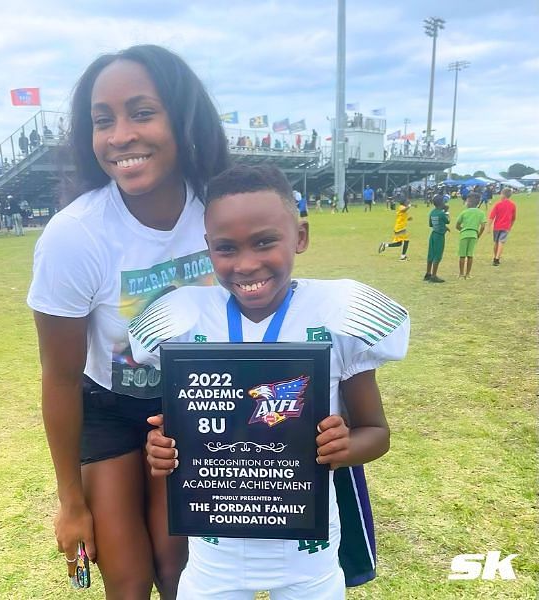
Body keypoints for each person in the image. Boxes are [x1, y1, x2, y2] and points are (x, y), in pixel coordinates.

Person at [134, 164, 408, 599]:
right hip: (214, 552)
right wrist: (162, 449)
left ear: (299, 236)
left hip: (308, 549)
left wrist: (345, 446)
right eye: (226, 248)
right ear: (208, 249)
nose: (246, 264)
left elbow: (377, 433)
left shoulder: (336, 313)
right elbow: (184, 431)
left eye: (265, 241)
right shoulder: (184, 318)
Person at [27, 44, 230, 598]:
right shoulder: (76, 236)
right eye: (103, 120)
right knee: (129, 579)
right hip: (109, 410)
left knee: (179, 571)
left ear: (182, 118)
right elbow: (60, 378)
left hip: (196, 404)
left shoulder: (220, 207)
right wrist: (71, 503)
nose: (120, 135)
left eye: (142, 112)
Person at [456, 195, 487, 279]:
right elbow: (483, 226)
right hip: (473, 235)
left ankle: (461, 274)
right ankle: (468, 274)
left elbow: (457, 225)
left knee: (462, 255)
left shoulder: (464, 212)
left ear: (468, 202)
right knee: (470, 255)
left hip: (464, 235)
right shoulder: (481, 213)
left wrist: (462, 229)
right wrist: (478, 235)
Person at [424, 194, 451, 282]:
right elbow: (448, 221)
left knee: (431, 254)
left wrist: (443, 227)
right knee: (437, 255)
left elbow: (431, 224)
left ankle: (428, 273)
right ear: (441, 203)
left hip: (433, 235)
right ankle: (434, 275)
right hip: (439, 236)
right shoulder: (441, 213)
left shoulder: (432, 212)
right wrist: (446, 212)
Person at [488, 188, 517, 266]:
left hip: (497, 227)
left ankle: (495, 257)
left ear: (503, 195)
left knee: (497, 242)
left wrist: (488, 227)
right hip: (506, 227)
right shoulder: (512, 205)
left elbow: (491, 216)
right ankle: (497, 258)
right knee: (501, 242)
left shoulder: (498, 204)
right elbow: (513, 218)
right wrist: (510, 226)